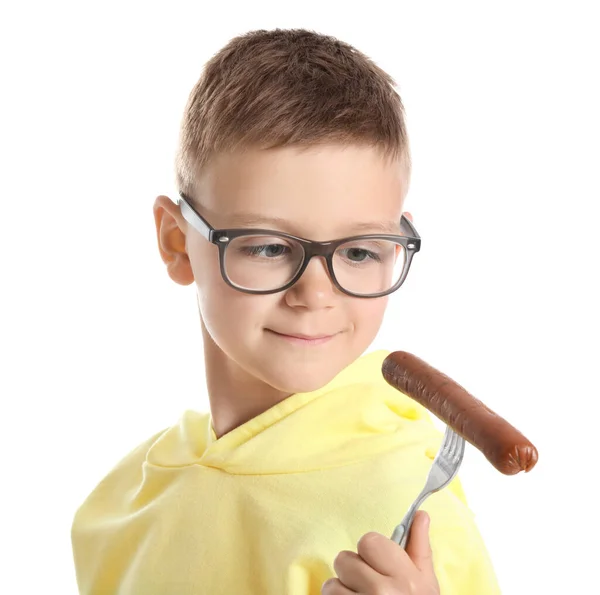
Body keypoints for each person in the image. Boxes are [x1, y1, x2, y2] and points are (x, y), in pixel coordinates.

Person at [71, 28, 501, 594]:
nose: (316, 294)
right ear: (177, 242)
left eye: (358, 251)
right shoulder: (120, 506)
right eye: (269, 247)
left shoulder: (411, 510)